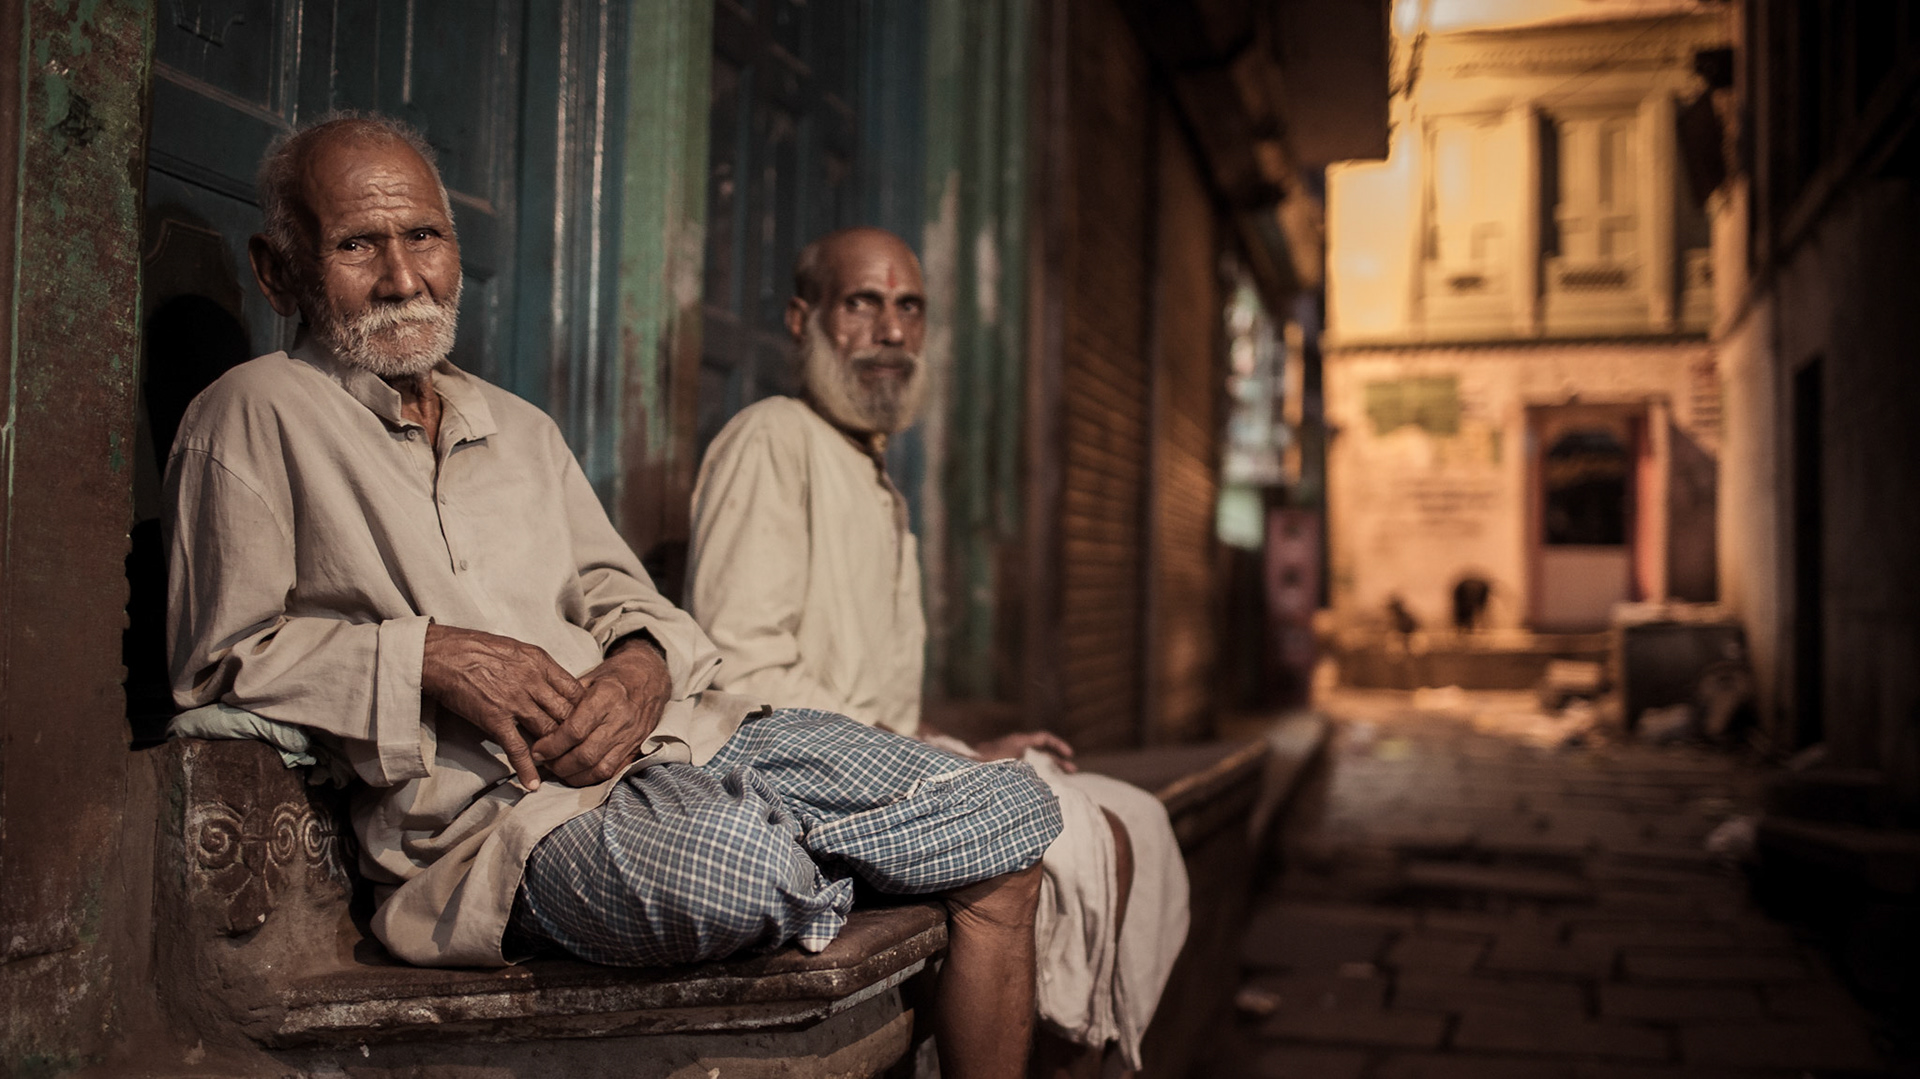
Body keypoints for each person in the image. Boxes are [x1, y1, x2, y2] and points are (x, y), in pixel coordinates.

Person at [165, 115, 1061, 1079]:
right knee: (743, 872)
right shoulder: (252, 412)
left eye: (424, 236)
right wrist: (431, 655)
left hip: (693, 737)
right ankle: (792, 841)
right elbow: (222, 658)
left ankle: (788, 829)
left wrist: (637, 668)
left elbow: (634, 603)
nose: (401, 277)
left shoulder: (521, 428)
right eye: (356, 245)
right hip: (511, 824)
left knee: (1009, 812)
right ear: (278, 269)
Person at [686, 227, 1189, 1077]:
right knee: (1075, 842)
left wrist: (945, 743)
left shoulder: (875, 476)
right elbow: (742, 668)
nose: (891, 330)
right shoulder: (772, 437)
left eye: (909, 307)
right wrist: (925, 755)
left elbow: (869, 692)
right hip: (795, 781)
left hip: (876, 761)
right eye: (863, 304)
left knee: (1135, 816)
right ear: (803, 319)